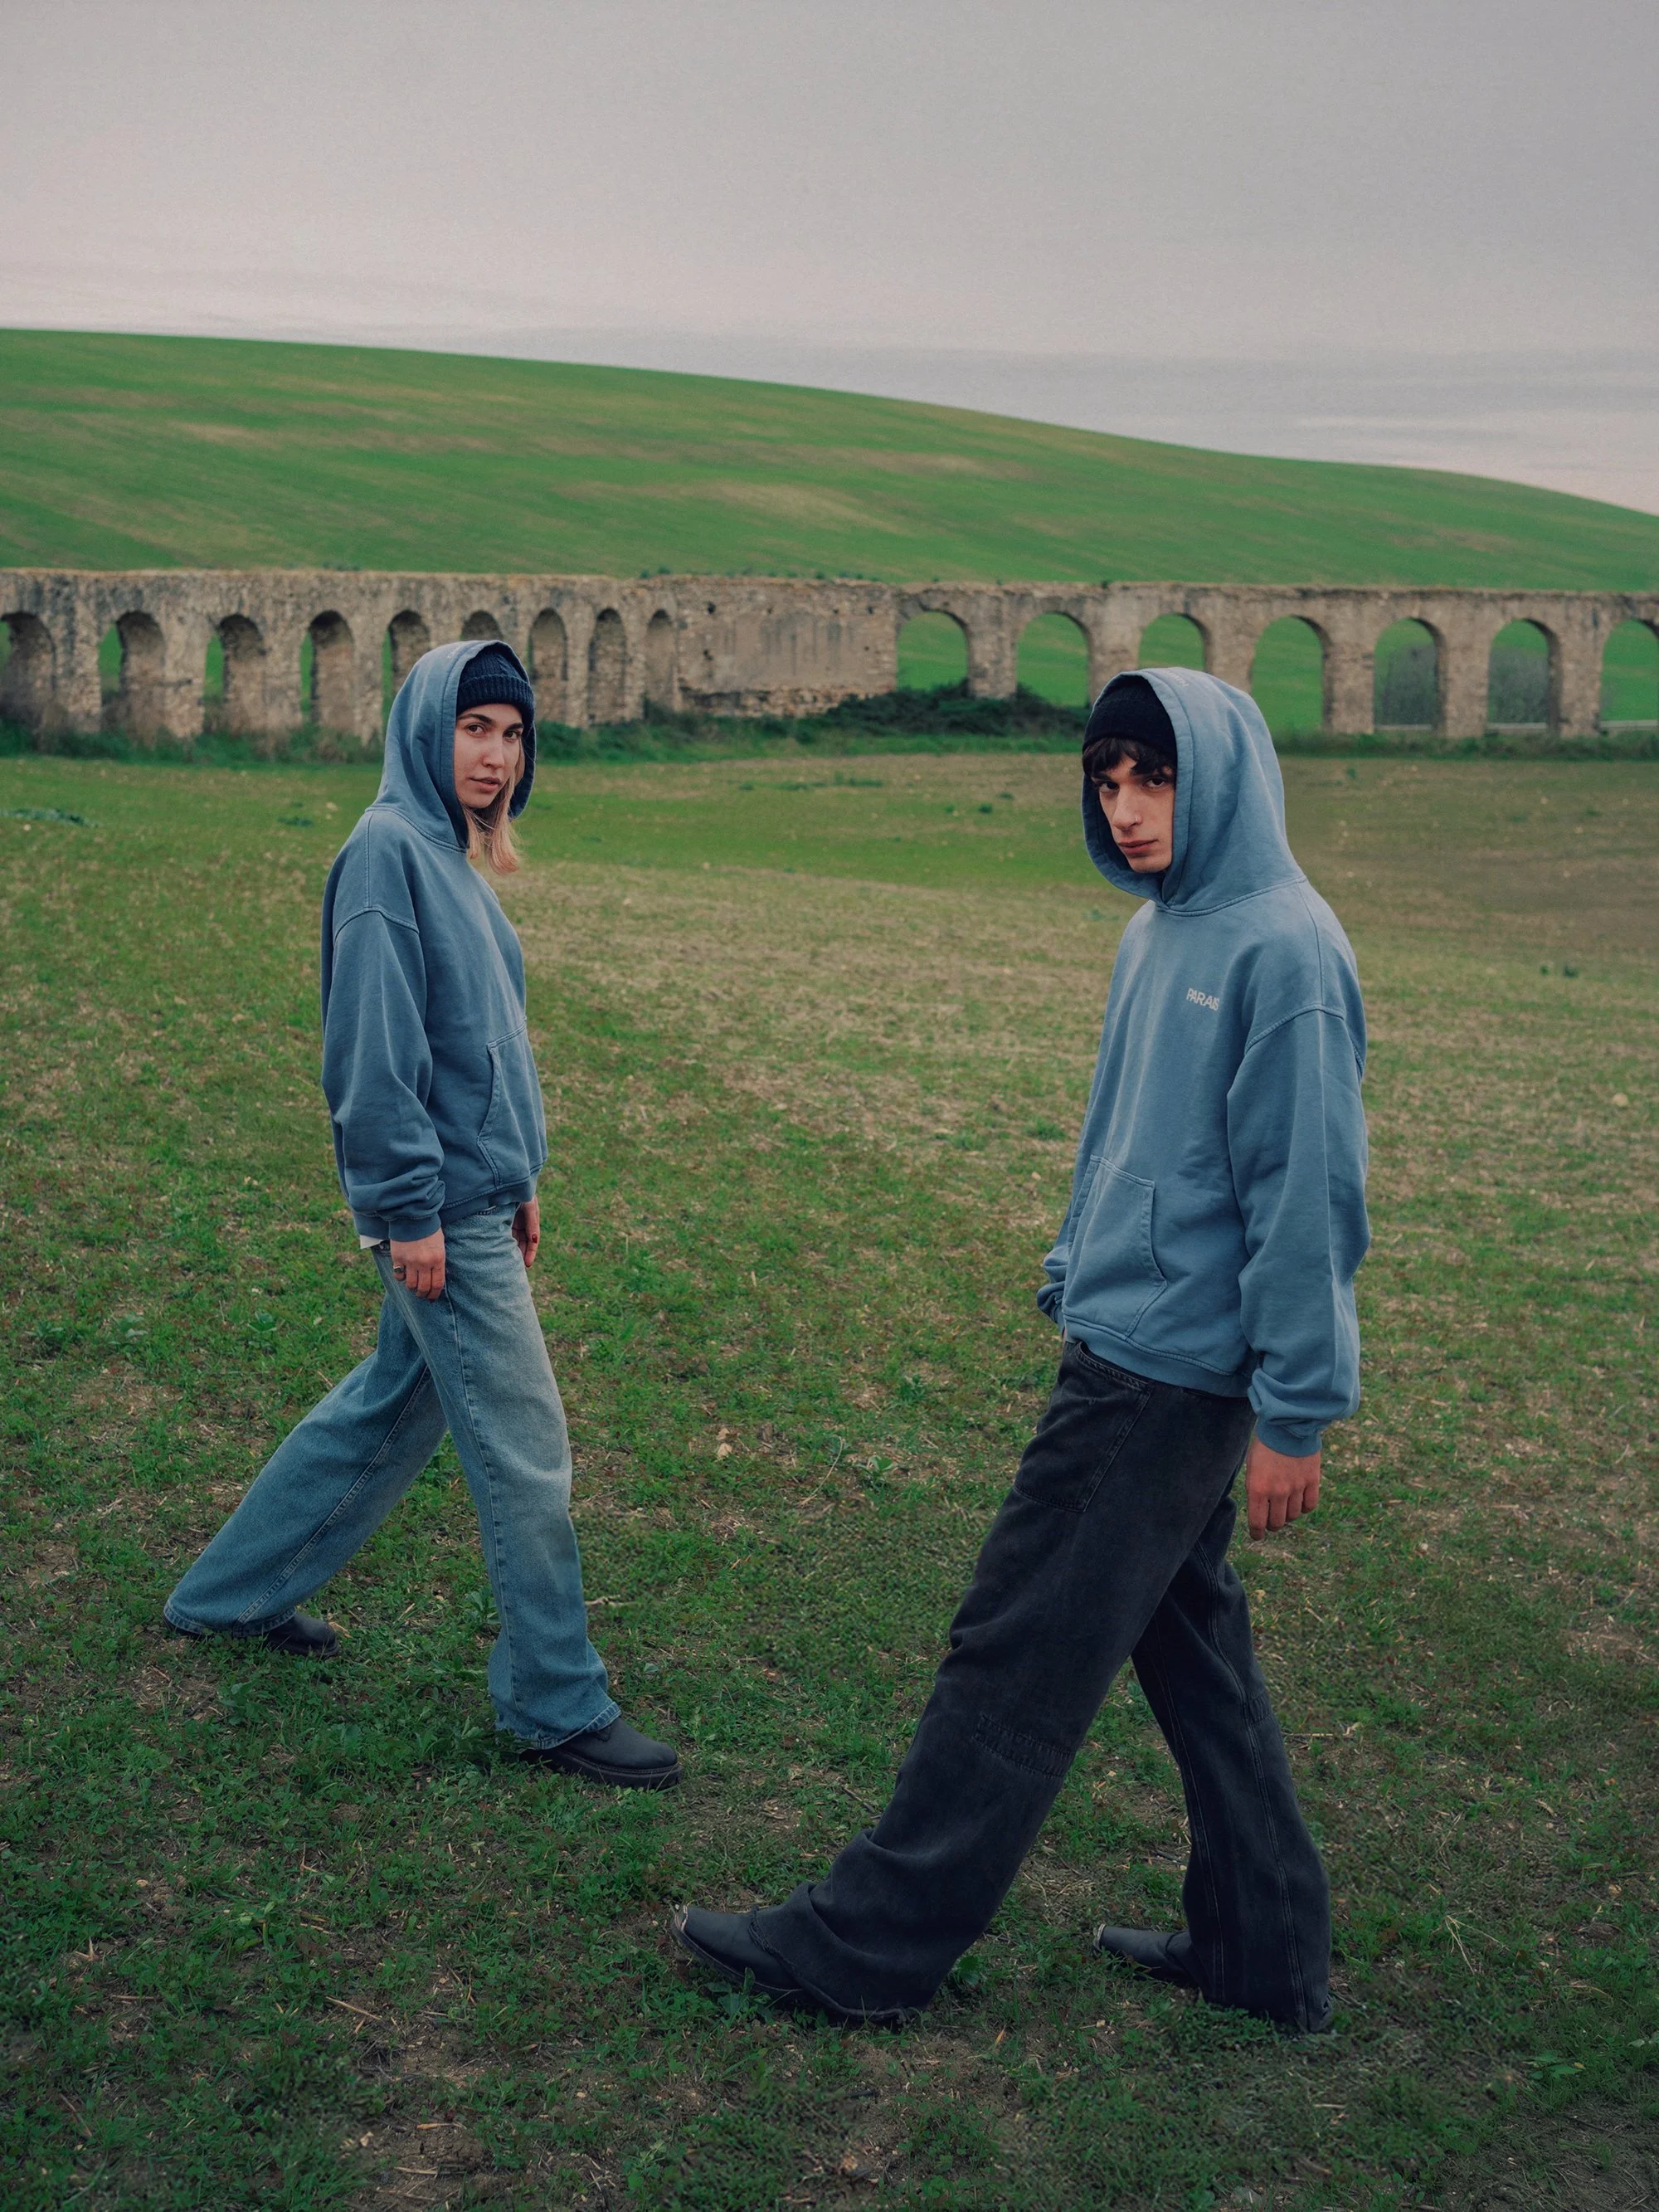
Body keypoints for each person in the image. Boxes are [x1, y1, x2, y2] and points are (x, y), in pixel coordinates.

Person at [672, 667, 1369, 2024]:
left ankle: (865, 1943)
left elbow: (1309, 1201)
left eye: (1154, 778)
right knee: (1193, 1649)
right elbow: (1123, 1135)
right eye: (1107, 781)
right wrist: (1073, 1265)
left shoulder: (1287, 953)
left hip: (1169, 1374)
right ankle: (1263, 1950)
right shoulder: (1156, 933)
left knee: (1014, 1645)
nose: (1127, 809)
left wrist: (1300, 1410)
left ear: (1219, 773)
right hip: (1122, 1331)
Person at [163, 640, 679, 1791]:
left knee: (388, 1404)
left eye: (512, 733)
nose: (496, 755)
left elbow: (480, 1044)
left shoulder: (446, 854)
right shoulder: (386, 853)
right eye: (474, 728)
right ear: (423, 729)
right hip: (436, 1211)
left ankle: (225, 1595)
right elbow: (373, 1060)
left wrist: (521, 1176)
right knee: (529, 1451)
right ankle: (555, 1696)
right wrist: (411, 1210)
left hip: (478, 1197)